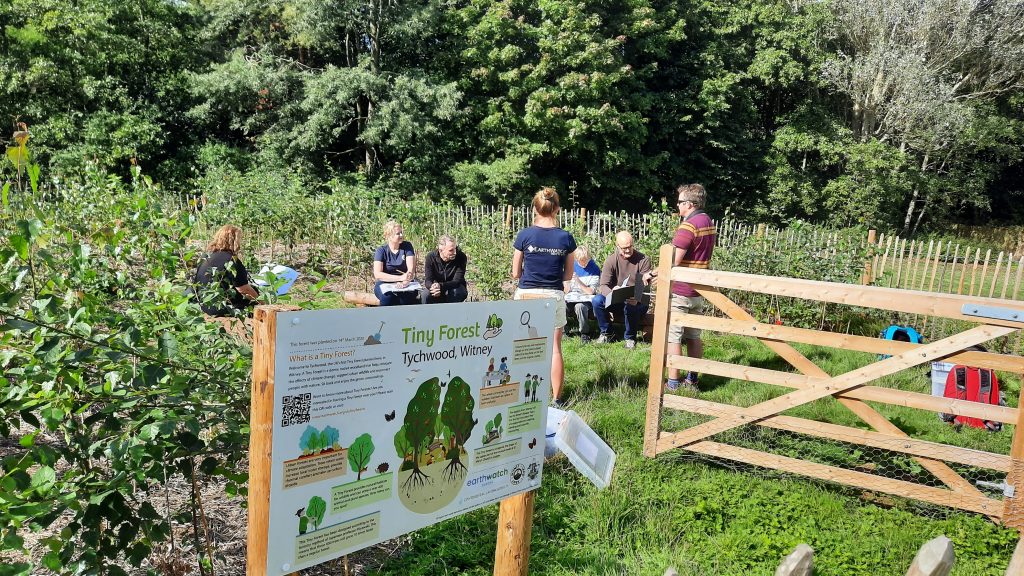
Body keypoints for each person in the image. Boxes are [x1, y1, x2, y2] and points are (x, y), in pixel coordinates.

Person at [512, 187, 576, 408]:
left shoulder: (524, 235)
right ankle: (557, 399)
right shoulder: (566, 238)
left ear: (535, 209)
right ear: (557, 209)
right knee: (555, 348)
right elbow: (568, 275)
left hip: (526, 294)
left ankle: (521, 395)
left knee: (522, 347)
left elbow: (515, 273)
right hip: (552, 295)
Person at [665, 183, 717, 391]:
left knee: (674, 336)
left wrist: (655, 272)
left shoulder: (688, 225)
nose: (677, 206)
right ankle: (693, 378)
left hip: (682, 289)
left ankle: (673, 382)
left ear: (689, 203)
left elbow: (673, 260)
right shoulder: (708, 222)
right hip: (699, 288)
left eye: (679, 202)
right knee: (694, 336)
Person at [592, 231, 654, 349]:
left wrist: (637, 298)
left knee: (631, 304)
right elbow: (603, 285)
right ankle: (607, 333)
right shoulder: (611, 260)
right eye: (624, 248)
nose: (627, 250)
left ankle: (630, 338)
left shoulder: (643, 260)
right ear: (617, 246)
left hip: (638, 301)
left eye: (630, 246)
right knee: (597, 301)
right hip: (617, 299)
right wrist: (612, 293)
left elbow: (644, 284)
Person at [194, 224, 259, 317]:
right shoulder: (231, 260)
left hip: (205, 305)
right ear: (234, 241)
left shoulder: (206, 257)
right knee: (254, 293)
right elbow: (243, 289)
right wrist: (260, 301)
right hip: (224, 307)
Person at [373, 220, 421, 306]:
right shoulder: (381, 251)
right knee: (387, 298)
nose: (401, 235)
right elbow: (378, 274)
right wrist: (399, 278)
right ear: (389, 236)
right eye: (398, 234)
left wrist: (406, 280)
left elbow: (411, 269)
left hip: (406, 282)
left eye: (401, 232)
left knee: (407, 297)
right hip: (385, 283)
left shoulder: (407, 246)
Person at [564, 245, 601, 342]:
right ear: (576, 259)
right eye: (581, 261)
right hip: (571, 297)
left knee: (580, 307)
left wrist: (578, 281)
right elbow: (565, 291)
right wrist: (567, 281)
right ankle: (564, 331)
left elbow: (590, 291)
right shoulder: (571, 266)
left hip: (586, 299)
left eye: (586, 260)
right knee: (562, 305)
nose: (584, 263)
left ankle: (584, 333)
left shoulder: (594, 269)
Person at [422, 234, 469, 304]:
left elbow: (457, 281)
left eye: (455, 249)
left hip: (454, 286)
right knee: (425, 295)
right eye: (451, 250)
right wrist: (432, 287)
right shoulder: (431, 257)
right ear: (441, 250)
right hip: (436, 286)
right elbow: (428, 279)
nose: (455, 252)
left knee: (458, 292)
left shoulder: (461, 257)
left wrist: (440, 286)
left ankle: (452, 313)